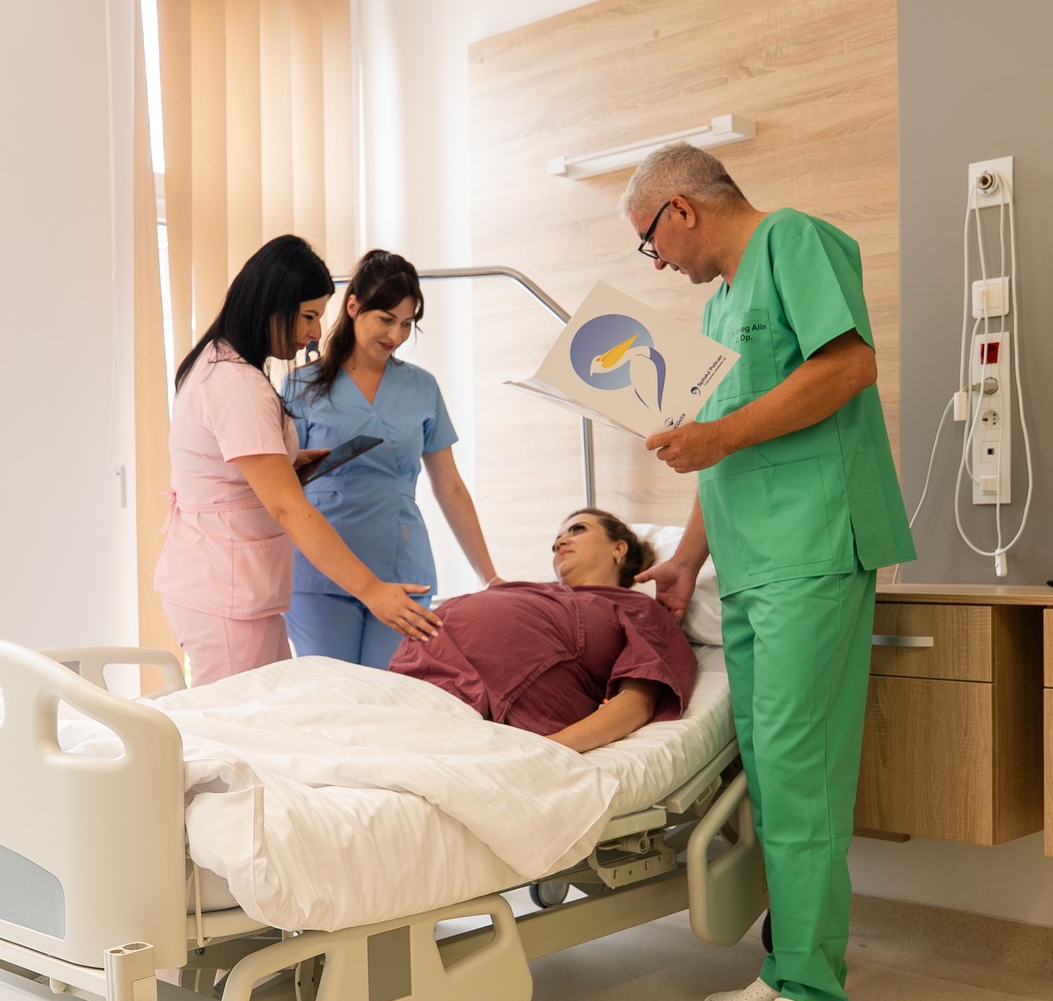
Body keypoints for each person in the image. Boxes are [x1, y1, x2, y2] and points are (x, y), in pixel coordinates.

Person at [620, 144, 915, 1001]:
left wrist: (718, 434)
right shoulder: (717, 309)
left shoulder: (794, 241)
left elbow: (850, 368)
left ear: (681, 209)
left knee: (800, 774)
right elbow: (720, 454)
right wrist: (685, 560)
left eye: (651, 242)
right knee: (772, 771)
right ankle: (788, 967)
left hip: (811, 545)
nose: (658, 263)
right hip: (750, 562)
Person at [154, 235, 441, 685]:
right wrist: (373, 592)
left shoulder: (220, 364)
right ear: (272, 305)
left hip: (241, 587)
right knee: (243, 718)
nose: (314, 333)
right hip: (226, 589)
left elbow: (230, 471)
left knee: (275, 713)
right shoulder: (237, 383)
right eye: (308, 316)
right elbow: (288, 507)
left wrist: (286, 463)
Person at [282, 250, 501, 668]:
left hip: (403, 569)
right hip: (320, 572)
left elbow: (450, 488)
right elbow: (281, 489)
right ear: (353, 306)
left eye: (406, 323)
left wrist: (488, 575)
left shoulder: (421, 387)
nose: (396, 335)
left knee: (389, 694)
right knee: (332, 693)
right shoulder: (301, 386)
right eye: (386, 319)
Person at [390, 509, 696, 754]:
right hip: (413, 682)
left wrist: (549, 750)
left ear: (619, 548)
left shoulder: (639, 608)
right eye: (555, 542)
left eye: (577, 530)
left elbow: (637, 701)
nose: (560, 543)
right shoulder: (533, 591)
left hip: (486, 713)